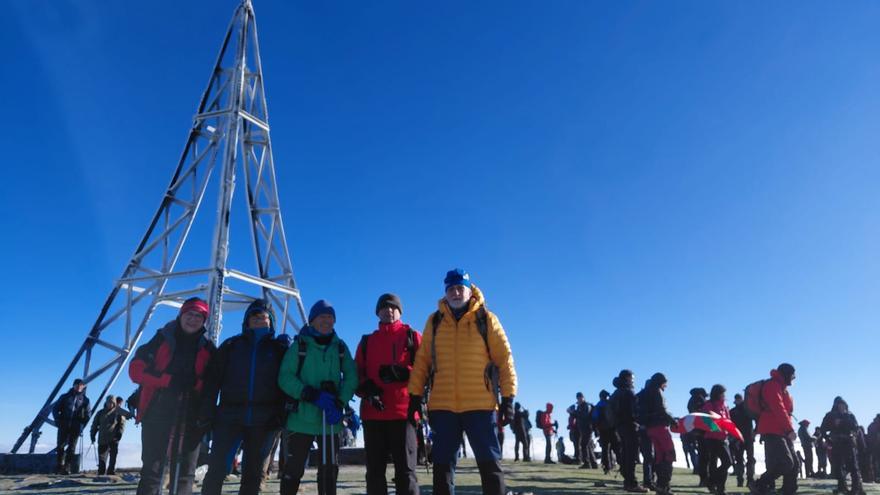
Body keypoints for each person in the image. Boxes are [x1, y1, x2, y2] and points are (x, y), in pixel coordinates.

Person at [407, 269, 517, 495]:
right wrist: (415, 396)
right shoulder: (434, 321)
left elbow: (505, 360)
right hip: (443, 406)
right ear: (445, 293)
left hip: (481, 405)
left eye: (460, 288)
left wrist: (508, 398)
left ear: (469, 290)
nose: (456, 293)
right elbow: (422, 361)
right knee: (443, 469)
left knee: (490, 465)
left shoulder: (486, 318)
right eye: (451, 289)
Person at [199, 299, 289, 495]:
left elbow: (286, 384)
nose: (259, 321)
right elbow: (213, 381)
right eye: (254, 317)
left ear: (271, 322)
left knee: (254, 474)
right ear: (246, 321)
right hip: (229, 417)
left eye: (264, 318)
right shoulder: (231, 346)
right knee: (217, 469)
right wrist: (207, 410)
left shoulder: (279, 349)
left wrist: (282, 413)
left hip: (264, 420)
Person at [129, 298, 216, 495]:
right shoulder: (161, 339)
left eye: (199, 316)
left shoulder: (208, 349)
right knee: (152, 470)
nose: (193, 319)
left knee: (185, 473)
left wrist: (196, 386)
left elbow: (213, 383)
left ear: (204, 321)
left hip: (192, 416)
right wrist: (168, 381)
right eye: (189, 314)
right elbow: (136, 370)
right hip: (157, 411)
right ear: (181, 315)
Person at [278, 300, 357, 495]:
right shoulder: (300, 345)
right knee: (293, 470)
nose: (326, 321)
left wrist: (340, 402)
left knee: (329, 470)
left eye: (330, 317)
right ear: (312, 320)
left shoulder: (340, 347)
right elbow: (284, 377)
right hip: (301, 419)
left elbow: (352, 376)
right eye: (322, 316)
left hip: (331, 419)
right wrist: (307, 393)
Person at [354, 293, 421, 495]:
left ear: (400, 311)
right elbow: (355, 374)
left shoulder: (412, 336)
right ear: (378, 312)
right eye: (384, 307)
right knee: (374, 472)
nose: (389, 310)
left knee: (406, 472)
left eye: (393, 307)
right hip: (373, 414)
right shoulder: (367, 341)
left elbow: (428, 369)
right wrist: (366, 390)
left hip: (404, 414)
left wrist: (404, 372)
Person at [750, 363, 797, 495]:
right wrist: (789, 430)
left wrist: (788, 430)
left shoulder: (782, 388)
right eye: (793, 374)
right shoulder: (772, 385)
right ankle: (759, 485)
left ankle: (788, 491)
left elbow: (786, 412)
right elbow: (779, 409)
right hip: (772, 430)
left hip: (782, 430)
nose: (794, 377)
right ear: (786, 373)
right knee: (786, 463)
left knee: (794, 464)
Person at [637, 373, 677, 495]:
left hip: (649, 429)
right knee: (669, 454)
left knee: (659, 456)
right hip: (660, 427)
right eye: (665, 383)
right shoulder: (657, 391)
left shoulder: (642, 394)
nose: (666, 385)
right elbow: (662, 410)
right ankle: (664, 486)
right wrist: (673, 421)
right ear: (660, 382)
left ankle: (660, 487)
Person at [819, 396, 864, 495]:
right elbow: (822, 429)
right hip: (836, 443)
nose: (841, 407)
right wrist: (828, 440)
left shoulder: (849, 415)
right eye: (839, 404)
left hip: (848, 442)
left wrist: (852, 434)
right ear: (835, 405)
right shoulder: (830, 415)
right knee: (838, 467)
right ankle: (842, 487)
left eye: (843, 404)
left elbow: (856, 428)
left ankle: (855, 489)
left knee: (853, 467)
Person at [613, 369, 646, 493]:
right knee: (631, 456)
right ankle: (631, 483)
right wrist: (640, 421)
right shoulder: (628, 392)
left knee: (626, 454)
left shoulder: (617, 392)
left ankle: (628, 481)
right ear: (627, 378)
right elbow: (634, 412)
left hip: (620, 426)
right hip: (630, 426)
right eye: (632, 378)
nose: (633, 380)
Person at [52, 378, 90, 474]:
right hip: (63, 425)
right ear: (73, 385)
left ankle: (66, 468)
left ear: (83, 387)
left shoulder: (85, 400)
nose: (78, 387)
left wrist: (82, 424)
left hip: (75, 426)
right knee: (60, 446)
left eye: (81, 385)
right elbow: (55, 409)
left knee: (72, 448)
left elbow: (88, 414)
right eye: (77, 385)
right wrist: (58, 420)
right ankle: (59, 466)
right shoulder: (65, 397)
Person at [701, 385, 732, 495]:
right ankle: (713, 483)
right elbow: (705, 419)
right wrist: (716, 429)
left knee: (727, 462)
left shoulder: (725, 406)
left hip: (724, 438)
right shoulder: (709, 404)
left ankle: (719, 487)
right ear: (717, 393)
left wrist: (730, 432)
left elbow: (728, 421)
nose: (724, 395)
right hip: (712, 438)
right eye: (722, 393)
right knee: (725, 462)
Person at [90, 395, 132, 475]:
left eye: (112, 403)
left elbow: (122, 425)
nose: (110, 404)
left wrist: (119, 435)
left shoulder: (119, 413)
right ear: (106, 402)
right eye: (108, 402)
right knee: (102, 457)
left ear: (114, 403)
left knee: (113, 457)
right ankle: (101, 472)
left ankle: (111, 471)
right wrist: (92, 435)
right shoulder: (100, 413)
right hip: (102, 438)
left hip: (114, 438)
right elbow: (94, 425)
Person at [729, 393, 756, 487]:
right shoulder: (733, 411)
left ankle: (750, 479)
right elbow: (731, 426)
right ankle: (740, 480)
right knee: (740, 459)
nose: (738, 400)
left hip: (747, 438)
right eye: (737, 399)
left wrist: (755, 432)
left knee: (749, 459)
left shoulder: (747, 409)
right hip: (739, 438)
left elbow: (756, 418)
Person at [594, 389, 619, 474]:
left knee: (605, 449)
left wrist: (596, 429)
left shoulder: (598, 405)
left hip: (603, 430)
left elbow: (595, 418)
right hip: (613, 429)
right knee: (617, 448)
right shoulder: (611, 404)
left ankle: (607, 467)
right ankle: (622, 465)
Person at [687, 388, 709, 487]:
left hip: (696, 431)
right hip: (704, 432)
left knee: (701, 456)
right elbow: (706, 416)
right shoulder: (701, 400)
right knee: (706, 457)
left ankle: (703, 479)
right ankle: (706, 479)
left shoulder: (691, 401)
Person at [575, 392, 599, 469]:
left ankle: (587, 463)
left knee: (584, 445)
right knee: (587, 446)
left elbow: (584, 416)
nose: (579, 399)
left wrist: (574, 413)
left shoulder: (586, 406)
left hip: (587, 428)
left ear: (583, 397)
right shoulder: (580, 406)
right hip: (584, 428)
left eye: (580, 398)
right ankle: (594, 463)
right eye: (578, 398)